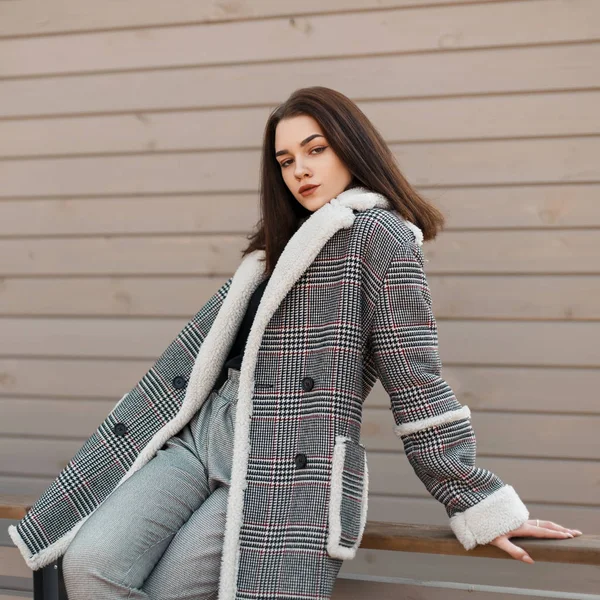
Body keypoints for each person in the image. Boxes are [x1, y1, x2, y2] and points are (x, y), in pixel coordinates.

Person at [9, 86, 582, 600]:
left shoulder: (383, 240)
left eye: (316, 150)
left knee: (169, 589)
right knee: (89, 564)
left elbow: (417, 379)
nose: (300, 170)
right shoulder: (273, 248)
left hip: (283, 453)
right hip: (201, 433)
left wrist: (476, 500)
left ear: (352, 149)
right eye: (286, 160)